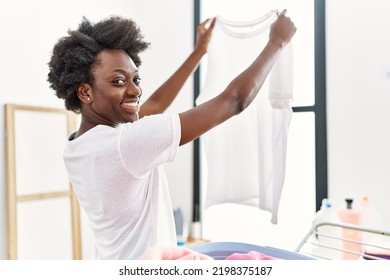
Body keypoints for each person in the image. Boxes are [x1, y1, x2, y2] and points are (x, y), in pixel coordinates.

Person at [47, 11, 296, 260]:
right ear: (85, 91)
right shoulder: (125, 145)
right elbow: (234, 101)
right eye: (119, 81)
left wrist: (199, 51)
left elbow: (154, 105)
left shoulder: (78, 146)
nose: (135, 90)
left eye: (136, 79)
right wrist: (277, 43)